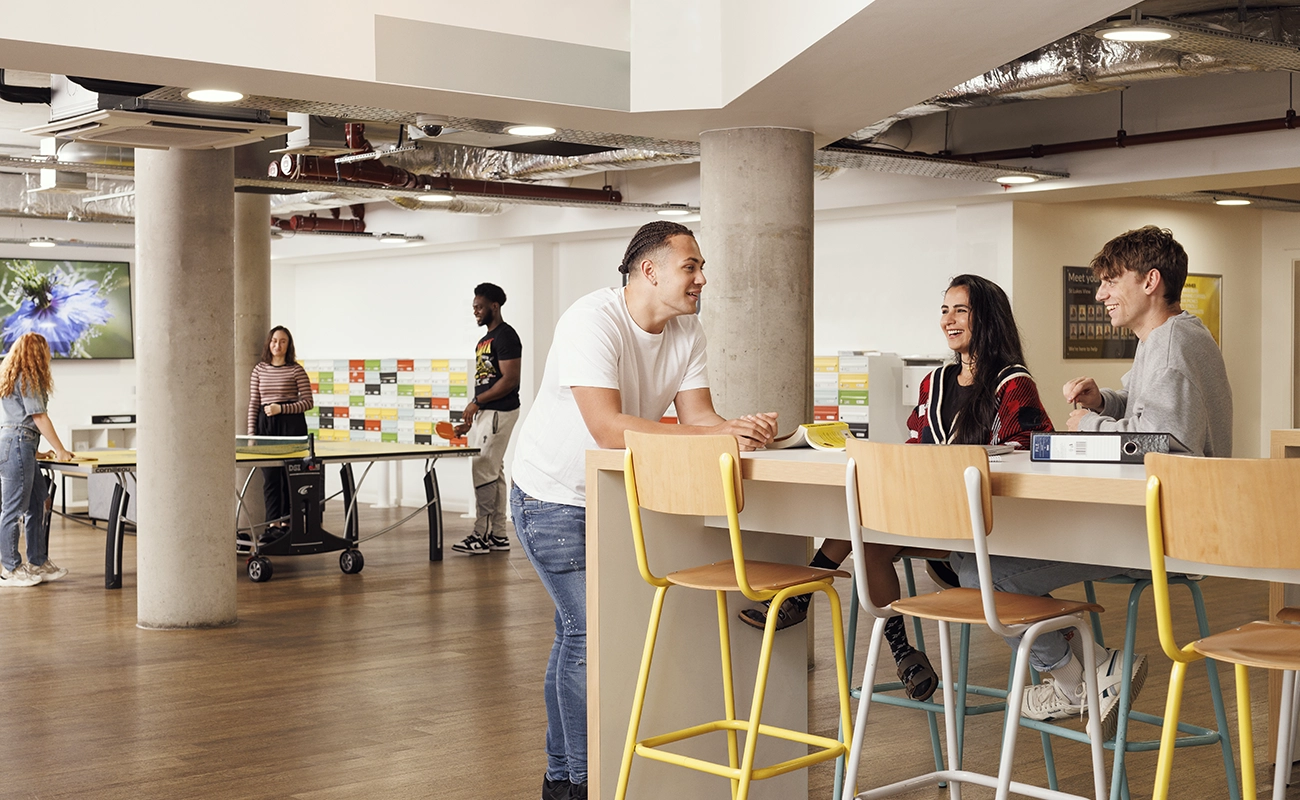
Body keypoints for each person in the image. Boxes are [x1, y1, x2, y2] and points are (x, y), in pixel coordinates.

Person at [509, 221, 781, 800]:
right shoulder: (592, 319)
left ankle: (563, 781)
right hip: (552, 497)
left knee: (576, 635)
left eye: (701, 267)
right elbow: (608, 429)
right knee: (590, 636)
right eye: (692, 267)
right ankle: (585, 782)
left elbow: (698, 417)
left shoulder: (688, 330)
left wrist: (736, 429)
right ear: (649, 270)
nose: (702, 279)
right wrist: (713, 438)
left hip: (610, 495)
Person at [953, 225, 1232, 736]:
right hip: (1144, 520)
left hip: (1161, 532)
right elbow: (1151, 410)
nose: (1101, 293)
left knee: (983, 570)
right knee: (968, 560)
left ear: (1150, 282)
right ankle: (1097, 671)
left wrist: (1094, 425)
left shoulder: (1170, 346)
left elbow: (1168, 442)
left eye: (1110, 281)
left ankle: (1074, 676)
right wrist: (1105, 401)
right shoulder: (1169, 338)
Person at [739, 274, 1053, 704]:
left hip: (982, 524)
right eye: (944, 310)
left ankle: (807, 590)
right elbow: (918, 445)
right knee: (867, 527)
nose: (949, 320)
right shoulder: (935, 382)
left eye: (961, 310)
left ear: (989, 318)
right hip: (928, 515)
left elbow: (1030, 451)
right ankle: (903, 652)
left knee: (865, 517)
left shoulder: (1013, 384)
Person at [452, 283, 523, 556]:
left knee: (483, 467)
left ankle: (479, 534)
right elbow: (486, 381)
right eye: (473, 307)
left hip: (500, 411)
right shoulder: (484, 341)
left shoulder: (506, 336)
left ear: (494, 306)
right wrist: (472, 417)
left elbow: (509, 380)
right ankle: (498, 535)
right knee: (494, 471)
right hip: (487, 413)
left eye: (479, 307)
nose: (475, 312)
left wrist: (477, 403)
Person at [0, 332, 73, 587]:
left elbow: (23, 420)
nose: (49, 354)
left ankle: (38, 561)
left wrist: (36, 452)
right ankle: (9, 568)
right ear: (37, 353)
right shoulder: (28, 376)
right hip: (18, 443)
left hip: (22, 444)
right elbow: (38, 417)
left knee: (39, 502)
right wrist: (60, 449)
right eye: (47, 350)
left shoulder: (15, 375)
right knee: (14, 508)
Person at [246, 326, 314, 542]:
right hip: (266, 424)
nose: (278, 345)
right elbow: (254, 403)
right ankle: (272, 524)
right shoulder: (259, 370)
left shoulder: (296, 370)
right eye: (274, 340)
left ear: (288, 345)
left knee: (289, 477)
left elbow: (308, 402)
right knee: (270, 478)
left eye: (283, 341)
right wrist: (251, 434)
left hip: (291, 425)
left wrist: (281, 408)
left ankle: (287, 524)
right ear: (269, 343)